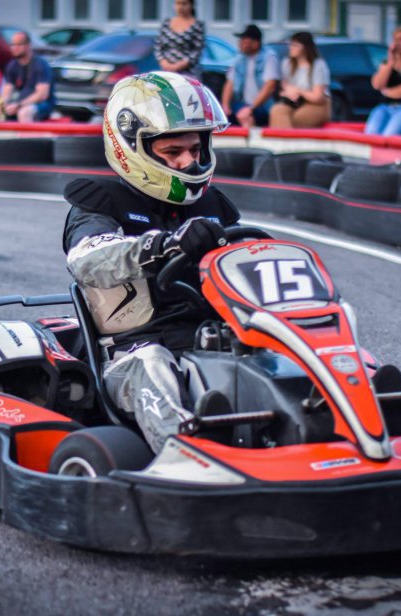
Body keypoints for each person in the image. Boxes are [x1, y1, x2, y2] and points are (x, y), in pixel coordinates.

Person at [62, 72, 241, 452]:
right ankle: (189, 454)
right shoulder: (100, 203)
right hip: (132, 352)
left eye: (196, 149)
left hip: (214, 340)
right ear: (132, 146)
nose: (190, 162)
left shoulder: (214, 207)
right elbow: (88, 259)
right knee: (153, 363)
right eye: (173, 152)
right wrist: (165, 246)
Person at [0, 31, 55, 123]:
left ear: (28, 46)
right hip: (20, 103)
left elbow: (42, 95)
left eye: (19, 44)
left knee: (24, 112)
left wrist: (19, 104)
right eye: (12, 45)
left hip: (42, 104)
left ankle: (28, 133)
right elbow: (6, 94)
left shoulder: (41, 65)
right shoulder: (12, 66)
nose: (14, 48)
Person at [268, 31, 331, 129]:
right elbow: (285, 85)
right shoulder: (287, 63)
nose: (291, 47)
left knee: (296, 119)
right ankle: (279, 137)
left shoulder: (318, 65)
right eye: (290, 44)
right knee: (277, 110)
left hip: (317, 105)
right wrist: (288, 92)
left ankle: (289, 137)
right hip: (295, 102)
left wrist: (299, 91)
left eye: (295, 45)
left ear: (305, 48)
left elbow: (317, 97)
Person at [221, 24, 279, 128]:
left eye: (244, 41)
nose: (240, 44)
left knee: (245, 117)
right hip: (242, 103)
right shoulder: (240, 59)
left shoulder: (268, 57)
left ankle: (251, 138)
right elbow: (230, 83)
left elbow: (270, 86)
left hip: (263, 106)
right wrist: (225, 106)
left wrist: (251, 108)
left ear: (256, 43)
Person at [154, 0, 205, 77]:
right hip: (167, 72)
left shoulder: (197, 25)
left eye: (184, 4)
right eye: (178, 3)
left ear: (191, 5)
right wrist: (164, 63)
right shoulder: (166, 23)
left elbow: (196, 51)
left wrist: (177, 67)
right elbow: (158, 46)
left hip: (188, 74)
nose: (180, 7)